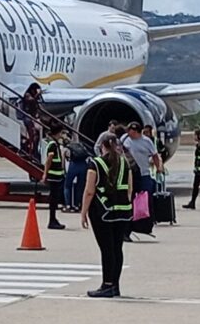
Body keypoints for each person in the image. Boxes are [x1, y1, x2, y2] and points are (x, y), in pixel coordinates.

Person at [80, 132, 133, 298]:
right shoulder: (125, 163)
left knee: (106, 249)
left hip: (102, 211)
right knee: (117, 248)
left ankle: (107, 284)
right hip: (123, 210)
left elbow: (89, 191)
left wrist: (83, 212)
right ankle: (115, 285)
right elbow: (130, 189)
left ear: (102, 145)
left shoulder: (95, 164)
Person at [120, 121, 159, 197]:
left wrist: (158, 168)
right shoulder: (124, 138)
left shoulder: (147, 141)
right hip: (130, 173)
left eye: (130, 131)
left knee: (146, 196)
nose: (128, 133)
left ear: (136, 132)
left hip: (144, 173)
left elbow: (155, 155)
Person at [43, 125, 67, 229]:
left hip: (57, 174)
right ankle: (52, 220)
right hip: (54, 175)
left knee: (55, 198)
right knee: (53, 199)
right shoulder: (52, 144)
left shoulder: (55, 144)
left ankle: (53, 219)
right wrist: (45, 174)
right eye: (61, 133)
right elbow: (49, 159)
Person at [63, 137, 90, 212]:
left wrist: (63, 170)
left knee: (67, 185)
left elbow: (63, 160)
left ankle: (68, 205)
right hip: (83, 165)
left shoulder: (66, 148)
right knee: (80, 186)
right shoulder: (79, 145)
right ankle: (77, 204)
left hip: (74, 165)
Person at [19, 82, 43, 156]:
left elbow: (36, 106)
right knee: (31, 134)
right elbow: (32, 100)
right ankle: (29, 149)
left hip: (33, 117)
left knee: (37, 132)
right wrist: (37, 94)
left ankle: (36, 148)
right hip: (27, 117)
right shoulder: (27, 95)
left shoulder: (34, 96)